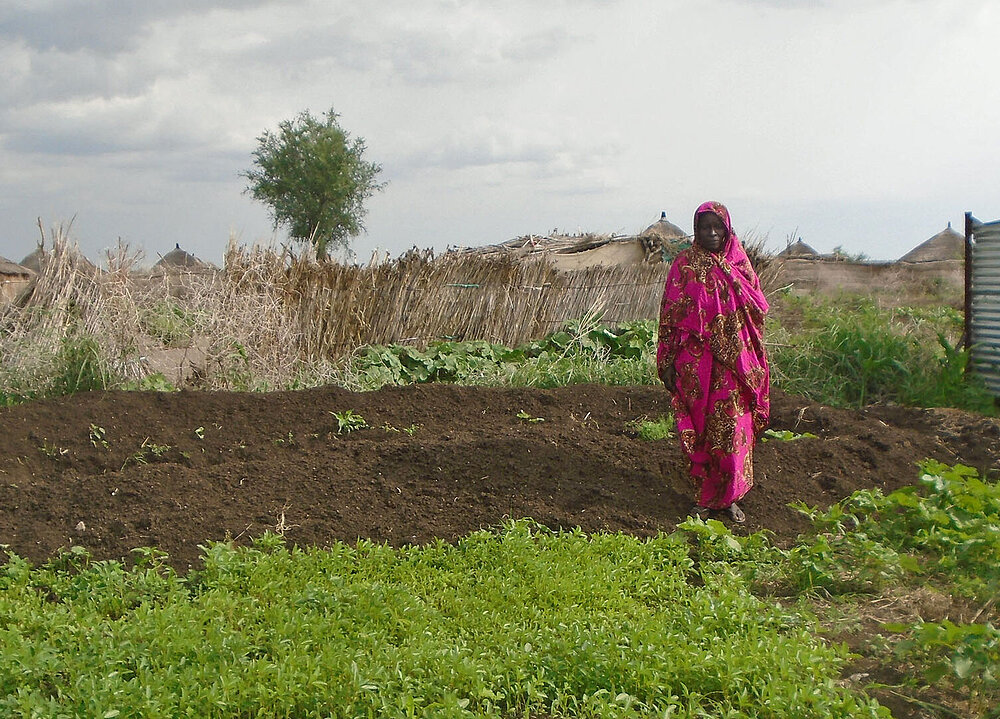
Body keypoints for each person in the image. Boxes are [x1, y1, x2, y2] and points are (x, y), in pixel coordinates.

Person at [656, 201, 770, 523]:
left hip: (735, 367)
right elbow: (670, 317)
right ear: (696, 230)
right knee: (703, 430)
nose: (711, 233)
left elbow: (757, 310)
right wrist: (667, 360)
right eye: (704, 227)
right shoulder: (684, 266)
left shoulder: (739, 266)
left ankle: (730, 498)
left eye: (717, 227)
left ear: (727, 228)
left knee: (733, 430)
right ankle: (706, 498)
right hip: (697, 366)